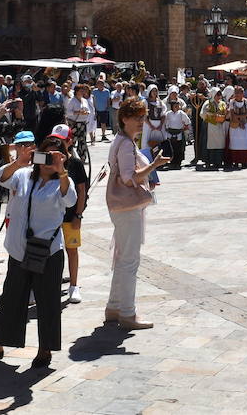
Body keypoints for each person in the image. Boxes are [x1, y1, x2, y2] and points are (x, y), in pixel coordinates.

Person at [0, 134, 76, 366]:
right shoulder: (23, 175)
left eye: (54, 155)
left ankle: (45, 349)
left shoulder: (61, 181)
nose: (47, 159)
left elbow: (69, 201)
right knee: (11, 299)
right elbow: (0, 177)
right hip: (19, 249)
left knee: (47, 301)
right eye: (44, 153)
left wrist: (61, 171)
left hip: (47, 251)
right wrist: (19, 161)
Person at [105, 100, 165, 329]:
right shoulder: (125, 144)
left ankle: (114, 306)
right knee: (129, 260)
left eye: (143, 117)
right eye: (138, 117)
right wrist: (154, 166)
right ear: (125, 119)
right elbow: (129, 178)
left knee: (122, 257)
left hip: (122, 207)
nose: (142, 122)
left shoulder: (124, 141)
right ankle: (127, 313)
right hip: (127, 207)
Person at [46, 125, 89, 305]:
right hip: (50, 216)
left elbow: (81, 190)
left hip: (70, 216)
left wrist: (78, 215)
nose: (57, 145)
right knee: (48, 251)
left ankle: (73, 286)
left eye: (62, 141)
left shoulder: (75, 163)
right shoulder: (46, 162)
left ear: (70, 142)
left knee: (72, 250)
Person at [226, 90, 247, 169]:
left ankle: (245, 161)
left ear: (242, 94)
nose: (237, 95)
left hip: (245, 124)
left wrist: (242, 121)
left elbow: (246, 113)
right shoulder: (232, 102)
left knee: (245, 142)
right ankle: (235, 161)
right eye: (236, 93)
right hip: (235, 125)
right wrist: (239, 122)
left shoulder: (246, 102)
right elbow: (232, 114)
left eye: (239, 93)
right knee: (235, 143)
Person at [199, 88, 229, 170]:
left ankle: (218, 161)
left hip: (220, 126)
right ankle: (209, 161)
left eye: (220, 94)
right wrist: (215, 118)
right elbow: (202, 114)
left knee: (220, 143)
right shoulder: (208, 103)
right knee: (210, 144)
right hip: (211, 126)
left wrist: (223, 116)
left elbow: (225, 113)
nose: (219, 96)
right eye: (217, 94)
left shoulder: (223, 103)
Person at [161, 92, 191, 170]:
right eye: (175, 106)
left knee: (179, 149)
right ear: (172, 107)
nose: (177, 107)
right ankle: (172, 162)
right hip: (170, 134)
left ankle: (178, 162)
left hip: (179, 133)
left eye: (178, 106)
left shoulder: (181, 113)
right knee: (171, 149)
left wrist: (184, 128)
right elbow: (164, 123)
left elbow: (187, 122)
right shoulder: (168, 114)